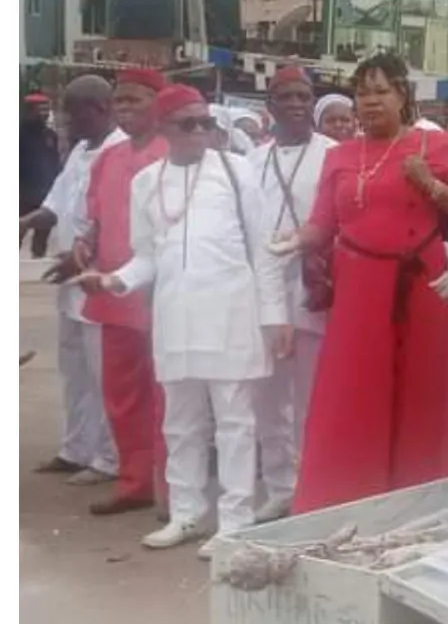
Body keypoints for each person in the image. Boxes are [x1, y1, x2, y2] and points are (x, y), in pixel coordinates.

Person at [77, 85, 289, 556]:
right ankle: (186, 514)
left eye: (205, 123)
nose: (199, 132)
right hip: (175, 317)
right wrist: (113, 280)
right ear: (163, 128)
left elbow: (263, 250)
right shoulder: (146, 182)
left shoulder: (236, 170)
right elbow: (147, 257)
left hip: (232, 314)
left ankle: (234, 522)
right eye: (187, 123)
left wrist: (275, 316)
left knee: (235, 424)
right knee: (180, 423)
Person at [275, 52, 448, 514]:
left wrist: (431, 184)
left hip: (418, 288)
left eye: (380, 91)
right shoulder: (339, 156)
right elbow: (323, 224)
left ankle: (418, 505)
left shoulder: (433, 146)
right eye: (362, 93)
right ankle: (345, 502)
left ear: (402, 95)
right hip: (358, 292)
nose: (370, 101)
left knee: (419, 398)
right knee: (352, 394)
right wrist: (296, 240)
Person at [74, 66, 172, 518]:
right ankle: (134, 481)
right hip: (113, 294)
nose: (126, 108)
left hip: (160, 296)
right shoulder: (108, 158)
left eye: (136, 99)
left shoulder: (174, 153)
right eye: (120, 101)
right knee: (122, 394)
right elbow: (95, 216)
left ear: (159, 103)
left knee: (167, 397)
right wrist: (85, 241)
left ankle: (171, 486)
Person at [21, 75, 121, 484]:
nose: (65, 122)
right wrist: (25, 222)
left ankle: (110, 458)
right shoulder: (81, 149)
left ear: (100, 108)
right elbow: (56, 205)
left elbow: (115, 221)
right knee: (74, 369)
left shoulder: (120, 152)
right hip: (68, 278)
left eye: (73, 113)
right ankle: (76, 448)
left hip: (99, 277)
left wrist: (82, 259)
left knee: (104, 373)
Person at [246, 66, 335, 521]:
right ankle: (281, 487)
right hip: (264, 294)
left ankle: (312, 487)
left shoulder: (334, 154)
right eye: (287, 97)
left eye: (304, 96)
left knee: (312, 401)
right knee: (267, 399)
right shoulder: (252, 161)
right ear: (270, 106)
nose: (297, 104)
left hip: (314, 290)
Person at [22, 89, 62, 213]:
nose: (45, 114)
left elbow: (54, 162)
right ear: (30, 111)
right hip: (24, 195)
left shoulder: (50, 135)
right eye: (41, 110)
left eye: (47, 110)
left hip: (46, 194)